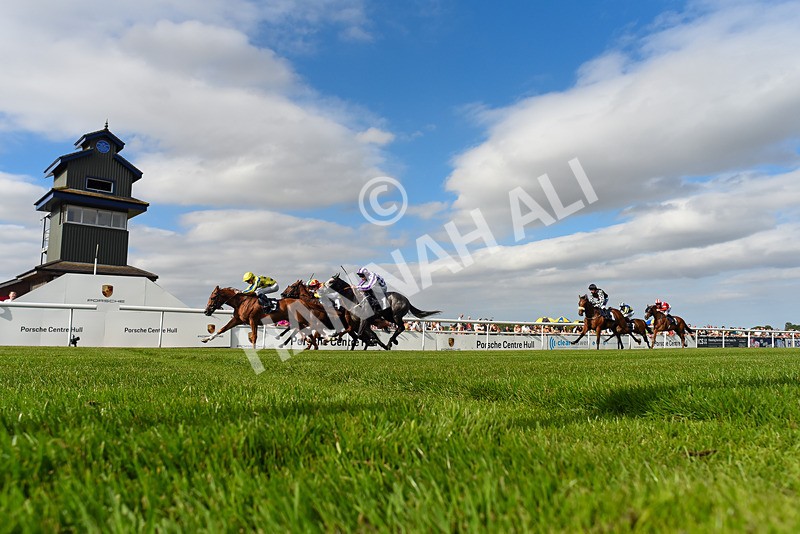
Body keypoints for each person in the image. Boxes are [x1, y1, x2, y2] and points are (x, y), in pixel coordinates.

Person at [355, 266, 389, 337]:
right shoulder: (365, 277)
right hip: (375, 287)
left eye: (362, 275)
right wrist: (355, 288)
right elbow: (359, 285)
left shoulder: (372, 276)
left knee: (368, 290)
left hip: (382, 288)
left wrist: (357, 288)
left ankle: (377, 306)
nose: (361, 277)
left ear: (366, 274)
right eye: (359, 276)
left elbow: (369, 286)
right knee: (363, 291)